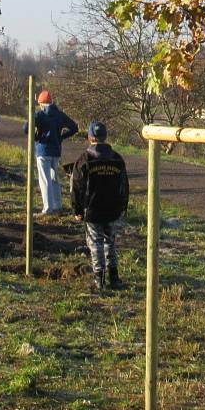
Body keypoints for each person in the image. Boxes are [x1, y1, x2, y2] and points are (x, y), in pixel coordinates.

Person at [71, 121, 129, 291]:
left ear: (90, 138)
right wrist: (123, 206)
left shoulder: (84, 159)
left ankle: (99, 280)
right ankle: (114, 277)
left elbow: (76, 186)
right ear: (106, 136)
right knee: (110, 242)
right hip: (113, 209)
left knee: (95, 243)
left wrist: (77, 209)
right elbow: (124, 185)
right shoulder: (117, 158)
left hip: (93, 209)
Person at [26, 90, 78, 215]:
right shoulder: (60, 115)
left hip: (43, 150)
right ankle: (58, 206)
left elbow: (26, 128)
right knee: (55, 179)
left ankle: (47, 208)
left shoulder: (40, 115)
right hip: (56, 151)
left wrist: (36, 136)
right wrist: (62, 137)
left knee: (45, 180)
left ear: (42, 103)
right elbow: (74, 128)